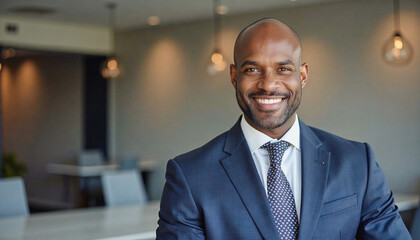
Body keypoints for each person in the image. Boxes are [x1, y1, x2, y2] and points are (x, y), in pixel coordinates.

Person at [156, 18, 411, 239]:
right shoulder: (190, 176)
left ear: (302, 76)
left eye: (283, 69)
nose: (268, 84)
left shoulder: (357, 163)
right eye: (253, 69)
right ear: (234, 76)